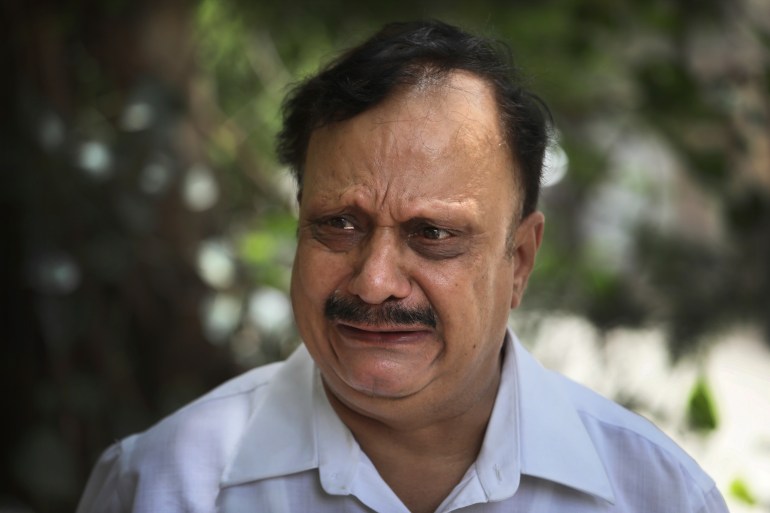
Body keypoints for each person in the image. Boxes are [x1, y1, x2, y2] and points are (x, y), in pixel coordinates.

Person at [77, 20, 729, 513]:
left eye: (435, 233)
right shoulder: (165, 484)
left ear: (520, 260)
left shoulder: (652, 494)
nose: (375, 280)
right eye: (339, 224)